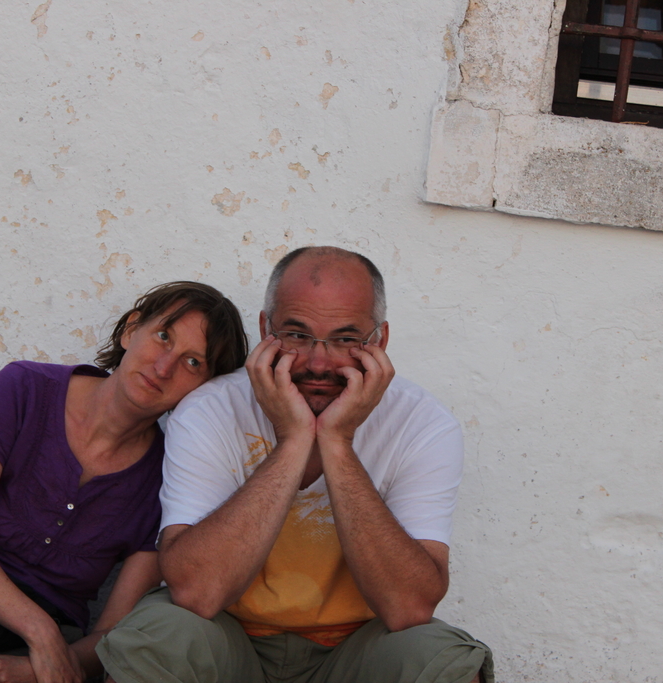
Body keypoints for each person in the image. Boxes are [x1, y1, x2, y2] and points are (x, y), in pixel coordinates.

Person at [96, 247, 493, 683]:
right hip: (226, 638)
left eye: (345, 339)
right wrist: (294, 441)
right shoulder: (211, 409)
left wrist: (337, 443)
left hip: (356, 648)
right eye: (297, 335)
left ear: (379, 341)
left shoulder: (422, 424)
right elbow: (195, 593)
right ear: (266, 330)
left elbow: (409, 609)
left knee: (445, 661)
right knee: (156, 638)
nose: (319, 363)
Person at [0, 281, 248, 683]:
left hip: (39, 659)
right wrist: (40, 632)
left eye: (193, 362)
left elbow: (113, 634)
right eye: (163, 336)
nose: (164, 367)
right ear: (130, 330)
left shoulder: (170, 477)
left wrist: (34, 668)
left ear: (204, 389)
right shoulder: (26, 389)